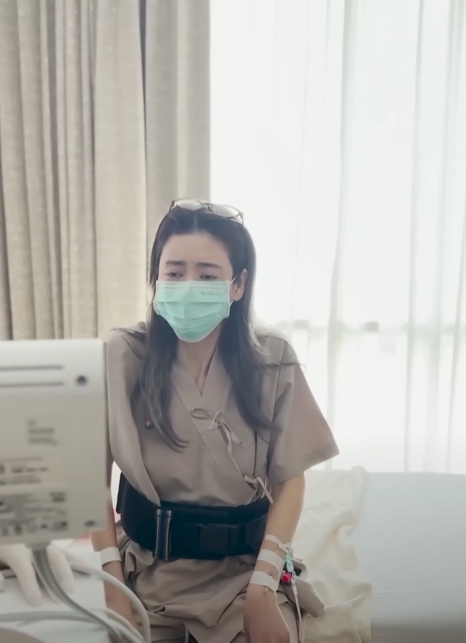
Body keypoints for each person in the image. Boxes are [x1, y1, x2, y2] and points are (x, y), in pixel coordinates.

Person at [91, 200, 339, 643]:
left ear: (238, 284)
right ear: (155, 279)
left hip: (244, 572)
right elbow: (91, 480)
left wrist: (263, 587)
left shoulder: (272, 359)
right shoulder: (121, 356)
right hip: (146, 570)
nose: (189, 287)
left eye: (207, 276)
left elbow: (289, 481)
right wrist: (112, 584)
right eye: (174, 272)